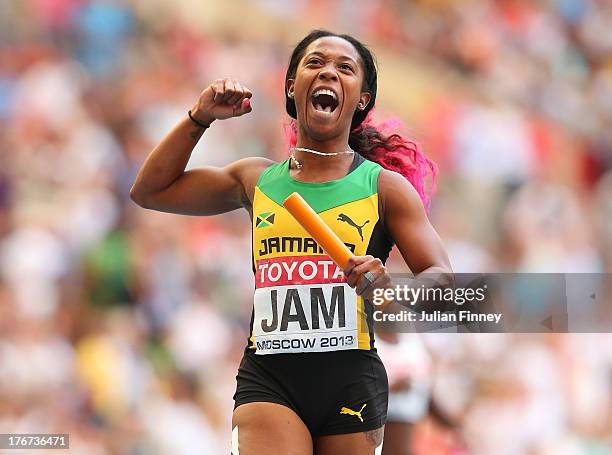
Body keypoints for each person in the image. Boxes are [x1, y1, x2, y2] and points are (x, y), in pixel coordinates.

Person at [130, 29, 452, 455]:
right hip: (269, 377)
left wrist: (391, 291)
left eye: (345, 68)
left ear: (362, 100)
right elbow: (150, 191)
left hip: (350, 378)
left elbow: (444, 281)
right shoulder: (255, 179)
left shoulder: (384, 189)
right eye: (315, 63)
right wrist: (199, 117)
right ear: (290, 86)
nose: (329, 73)